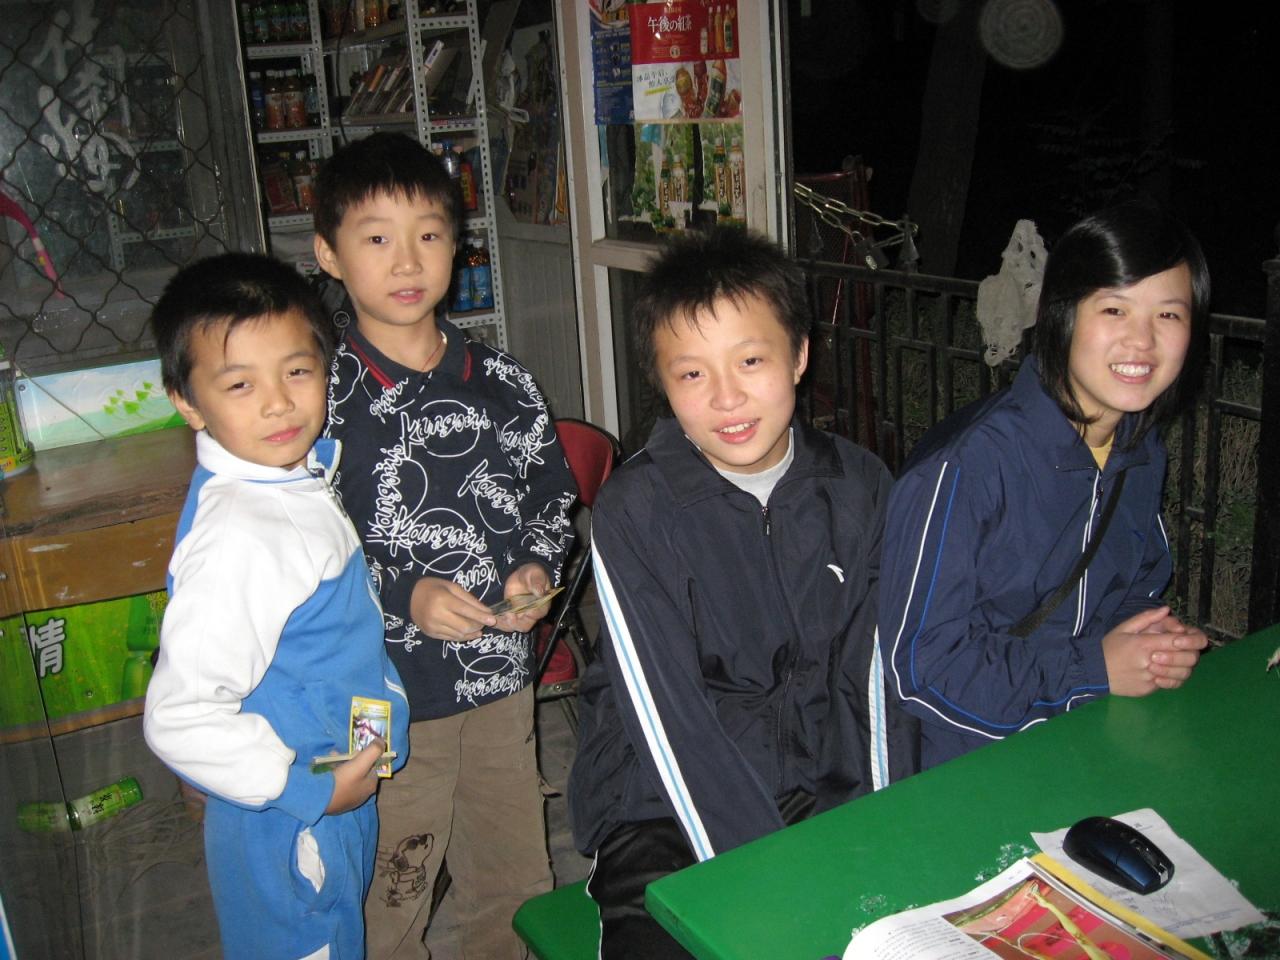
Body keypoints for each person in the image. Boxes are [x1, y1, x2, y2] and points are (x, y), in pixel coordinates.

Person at [568, 226, 919, 958]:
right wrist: (766, 872)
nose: (726, 398)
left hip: (821, 781)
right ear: (663, 384)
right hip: (659, 804)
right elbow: (667, 721)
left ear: (799, 355)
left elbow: (873, 682)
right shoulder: (637, 509)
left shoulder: (857, 486)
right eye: (692, 374)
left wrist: (879, 827)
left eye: (751, 361)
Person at [311, 131, 575, 959]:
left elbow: (551, 495)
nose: (406, 260)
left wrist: (536, 567)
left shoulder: (503, 383)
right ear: (329, 254)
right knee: (389, 886)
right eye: (376, 238)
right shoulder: (318, 398)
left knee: (514, 879)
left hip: (496, 682)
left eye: (428, 234)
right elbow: (304, 544)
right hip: (374, 695)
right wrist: (404, 594)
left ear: (456, 247)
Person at [879, 202, 1212, 769]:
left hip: (1085, 740)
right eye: (1115, 309)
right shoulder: (965, 467)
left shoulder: (1139, 447)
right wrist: (1094, 670)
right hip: (964, 767)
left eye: (1169, 315)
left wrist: (1152, 645)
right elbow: (922, 668)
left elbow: (1137, 583)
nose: (1142, 340)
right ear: (1062, 314)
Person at [144, 252, 409, 960]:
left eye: (297, 371)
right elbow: (179, 715)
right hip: (294, 820)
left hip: (323, 789)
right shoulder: (242, 534)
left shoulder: (285, 478)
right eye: (240, 383)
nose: (278, 403)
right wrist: (304, 791)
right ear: (187, 402)